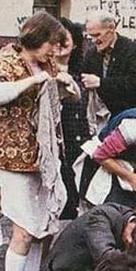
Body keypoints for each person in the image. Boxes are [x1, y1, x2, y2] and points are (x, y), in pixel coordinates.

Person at [0, 11, 78, 271]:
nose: (54, 50)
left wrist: (67, 87)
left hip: (43, 159)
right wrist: (31, 82)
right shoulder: (9, 57)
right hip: (14, 161)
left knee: (43, 230)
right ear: (36, 38)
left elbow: (59, 98)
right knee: (24, 231)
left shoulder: (47, 62)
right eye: (50, 43)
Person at [82, 11, 136, 130]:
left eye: (97, 35)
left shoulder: (134, 50)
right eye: (91, 36)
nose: (94, 40)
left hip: (129, 119)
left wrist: (101, 83)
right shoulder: (91, 54)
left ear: (111, 28)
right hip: (100, 122)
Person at [56, 17, 89, 220]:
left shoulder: (82, 74)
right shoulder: (42, 74)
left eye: (63, 38)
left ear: (74, 43)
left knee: (77, 201)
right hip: (58, 146)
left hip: (80, 145)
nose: (58, 43)